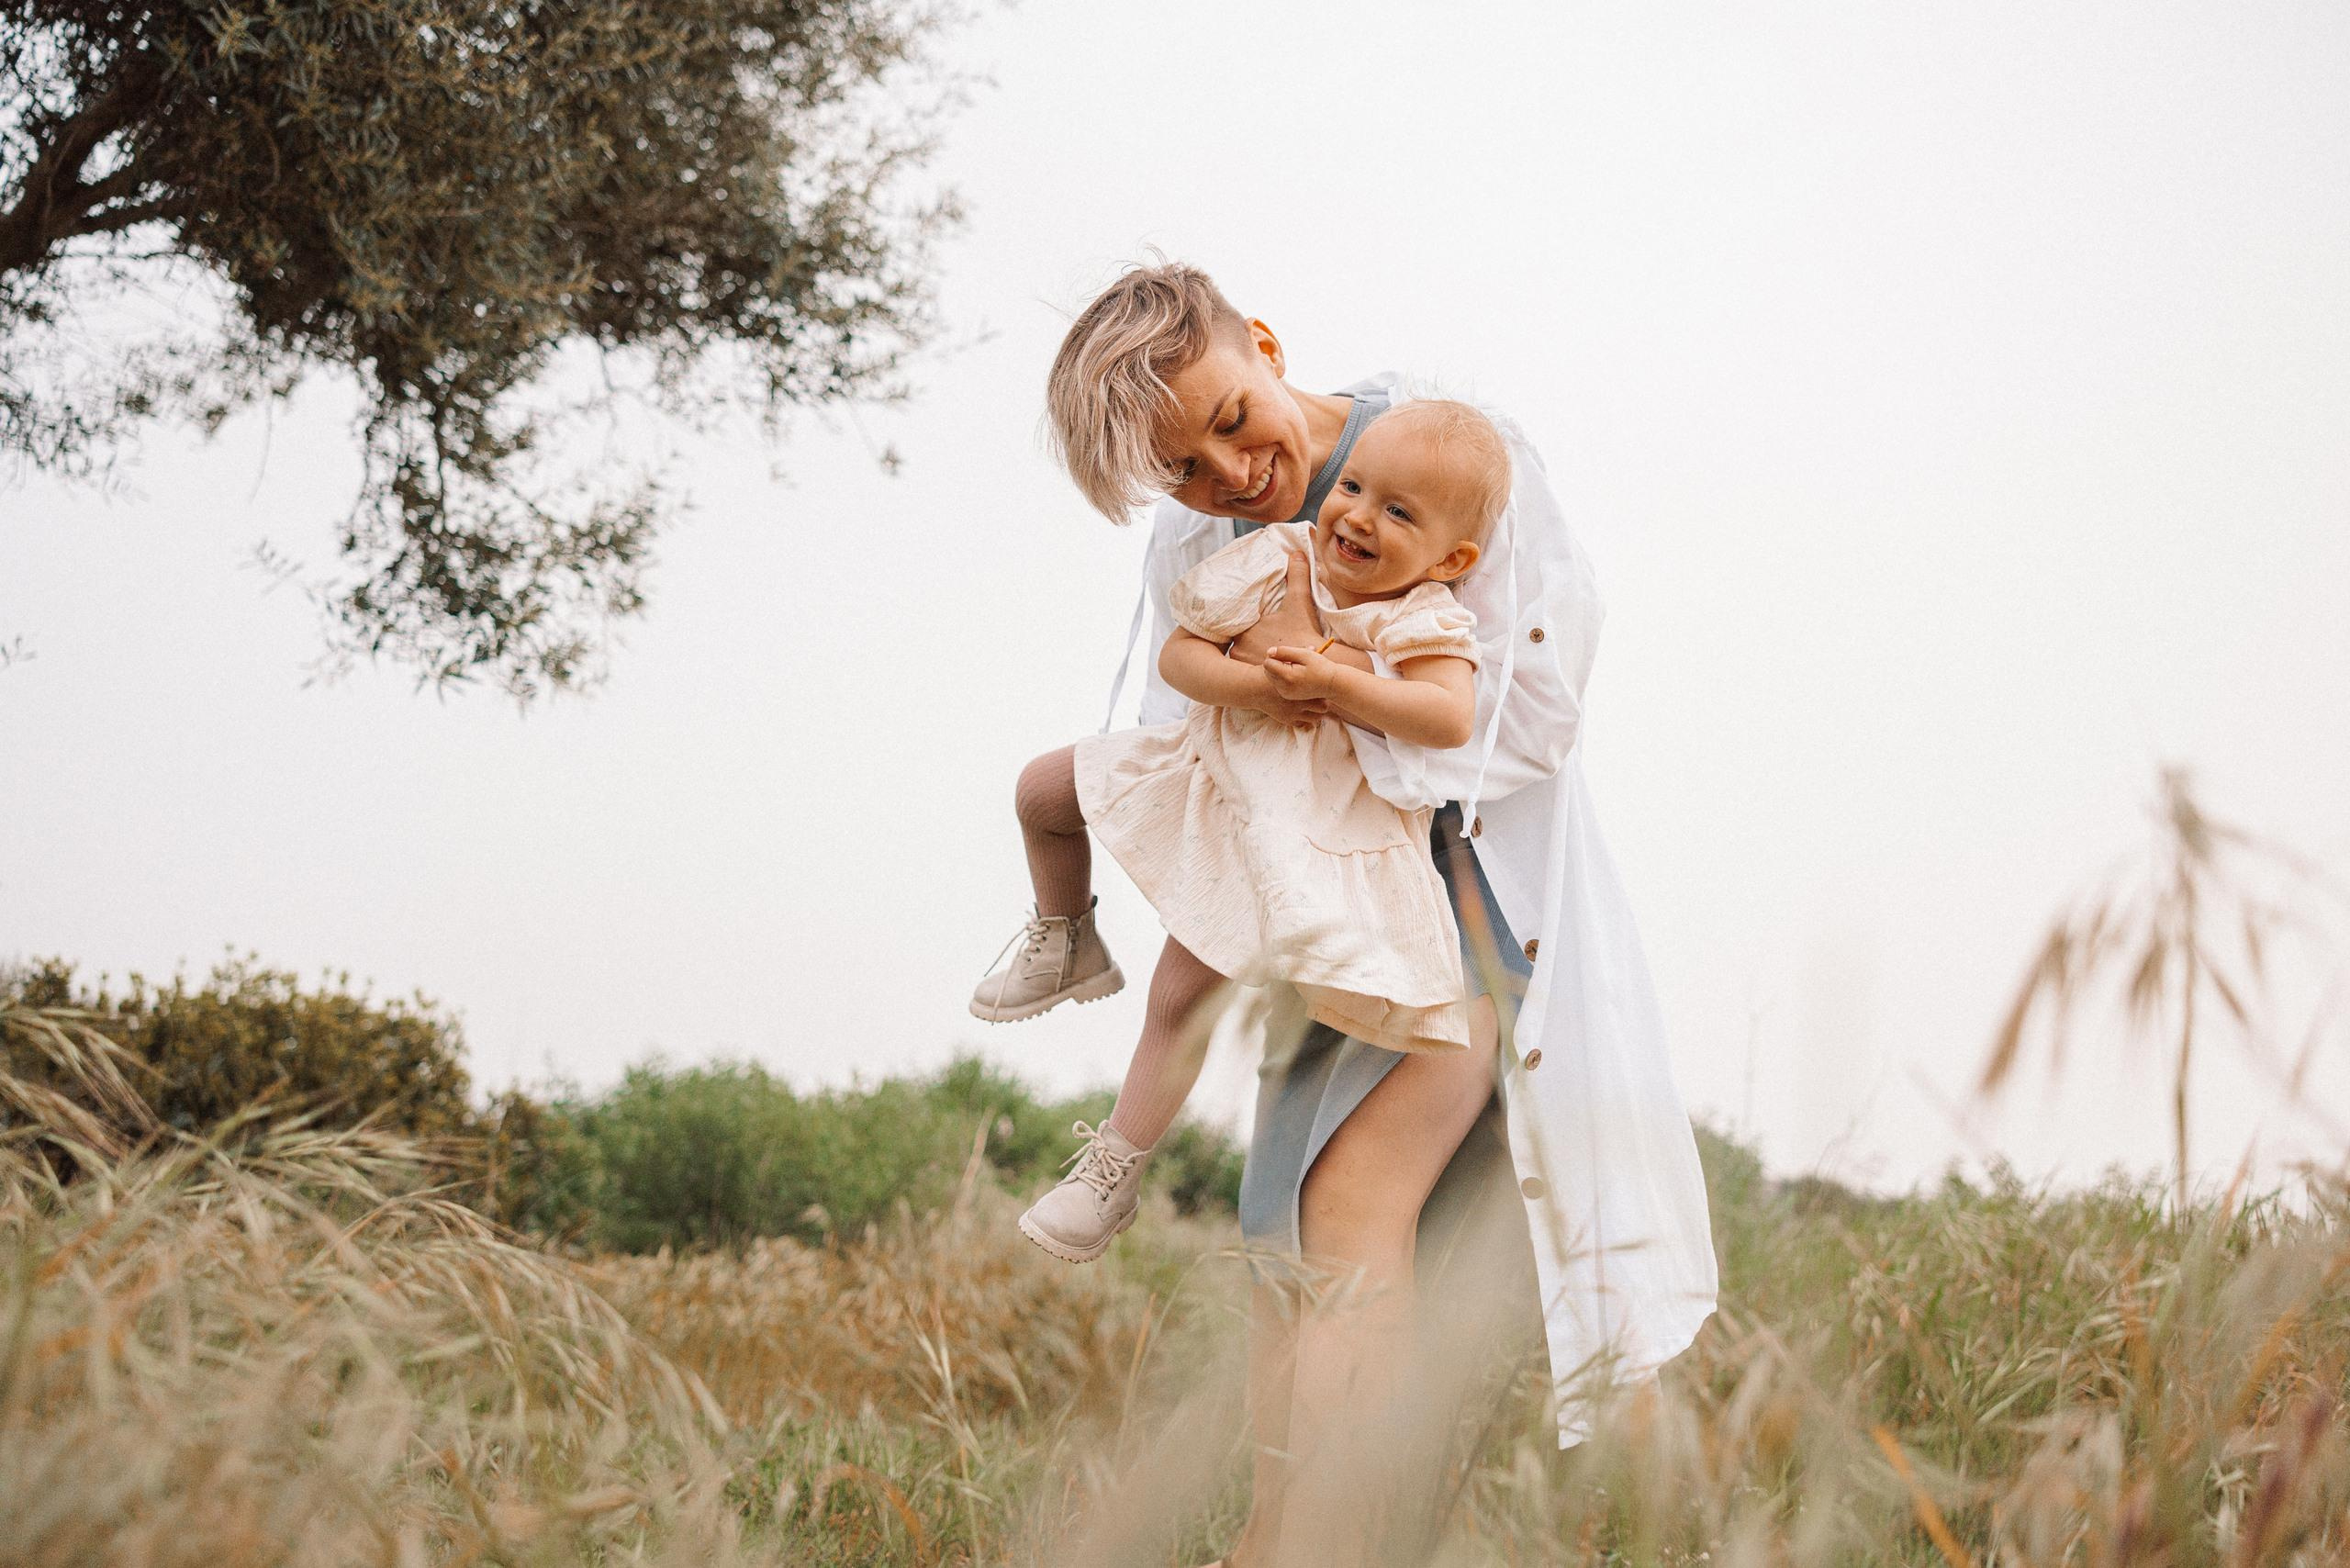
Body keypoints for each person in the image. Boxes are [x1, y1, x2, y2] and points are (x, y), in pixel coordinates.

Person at [1026, 260, 1718, 1564]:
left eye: (1233, 420)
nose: (1228, 476)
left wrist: (1337, 694)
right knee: (1282, 1229)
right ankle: (1287, 1535)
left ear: (1265, 348)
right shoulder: (1202, 534)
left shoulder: (1449, 457)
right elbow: (1187, 733)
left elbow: (1538, 712)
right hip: (1313, 919)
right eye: (1181, 471)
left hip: (1457, 898)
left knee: (1353, 1210)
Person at [979, 399, 1512, 1261]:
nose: (1361, 517)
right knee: (1042, 791)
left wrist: (1343, 682)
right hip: (1209, 757)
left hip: (1291, 828)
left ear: (1450, 558)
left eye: (1400, 512)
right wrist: (1258, 687)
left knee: (1179, 996)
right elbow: (1183, 655)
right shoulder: (1275, 556)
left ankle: (1114, 1168)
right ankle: (1066, 931)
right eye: (1357, 488)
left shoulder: (1420, 619)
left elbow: (1447, 716)